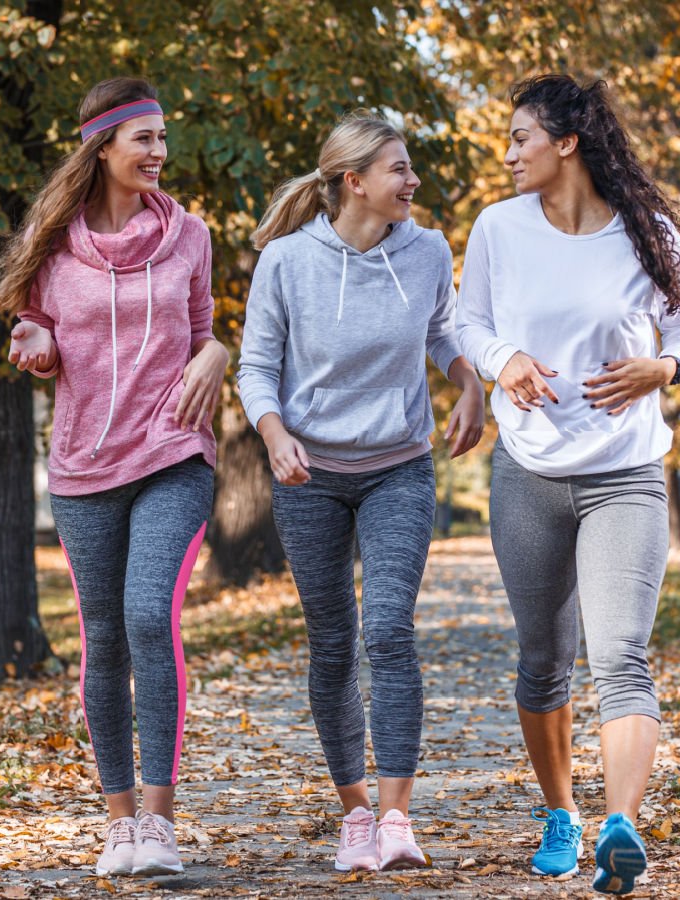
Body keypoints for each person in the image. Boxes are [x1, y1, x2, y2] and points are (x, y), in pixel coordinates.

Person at [455, 74, 680, 895]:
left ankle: (620, 827)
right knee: (543, 661)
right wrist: (506, 362)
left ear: (566, 141)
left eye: (521, 137)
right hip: (530, 475)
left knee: (621, 656)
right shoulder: (498, 227)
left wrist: (663, 368)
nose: (509, 153)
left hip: (626, 477)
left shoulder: (648, 232)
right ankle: (561, 812)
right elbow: (470, 322)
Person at [236, 113, 486, 873]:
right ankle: (354, 814)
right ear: (355, 182)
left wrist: (468, 382)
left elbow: (443, 333)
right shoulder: (285, 262)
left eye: (410, 170)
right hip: (310, 474)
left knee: (388, 630)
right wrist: (275, 436)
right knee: (333, 642)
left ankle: (397, 817)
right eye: (399, 170)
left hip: (398, 467)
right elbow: (255, 368)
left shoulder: (429, 251)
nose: (413, 183)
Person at [0, 76, 228, 878]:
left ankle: (159, 823)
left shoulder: (190, 235)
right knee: (103, 640)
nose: (160, 153)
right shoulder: (56, 249)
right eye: (145, 140)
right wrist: (34, 341)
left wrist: (219, 354)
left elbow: (202, 334)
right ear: (104, 147)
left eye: (164, 138)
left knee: (146, 617)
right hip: (84, 465)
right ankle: (119, 821)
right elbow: (37, 331)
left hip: (172, 453)